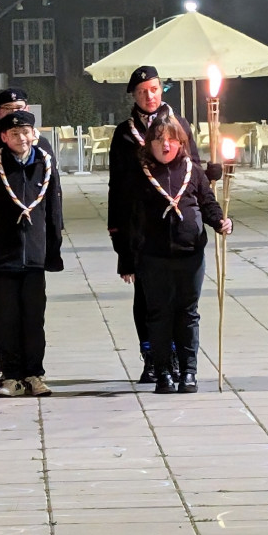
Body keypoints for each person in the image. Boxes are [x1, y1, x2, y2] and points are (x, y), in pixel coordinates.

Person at [107, 65, 220, 384]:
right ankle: (153, 359)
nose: (149, 95)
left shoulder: (179, 124)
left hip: (181, 233)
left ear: (161, 90)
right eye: (143, 91)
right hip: (142, 231)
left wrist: (210, 175)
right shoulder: (124, 133)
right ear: (134, 95)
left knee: (181, 302)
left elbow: (192, 172)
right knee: (147, 299)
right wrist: (120, 241)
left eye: (154, 89)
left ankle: (175, 358)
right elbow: (118, 188)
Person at [0, 88, 60, 387]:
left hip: (33, 252)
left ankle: (35, 372)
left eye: (20, 112)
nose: (21, 136)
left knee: (34, 316)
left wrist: (53, 249)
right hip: (2, 252)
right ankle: (10, 373)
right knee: (6, 317)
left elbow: (53, 205)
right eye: (7, 111)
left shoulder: (43, 155)